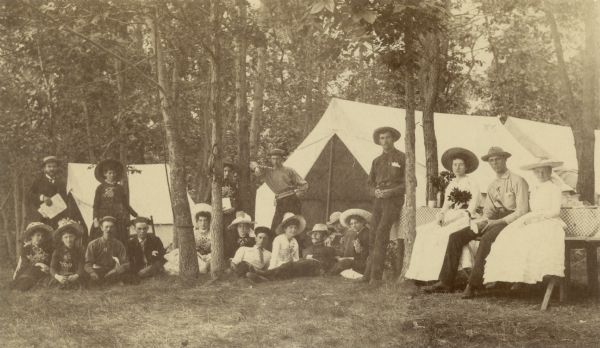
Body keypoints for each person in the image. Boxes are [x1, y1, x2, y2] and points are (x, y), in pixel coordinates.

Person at [423, 147, 530, 297]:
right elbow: (488, 211)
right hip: (494, 220)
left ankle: (473, 285)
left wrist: (498, 221)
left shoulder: (518, 181)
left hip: (512, 222)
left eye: (497, 159)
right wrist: (482, 222)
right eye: (491, 161)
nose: (494, 163)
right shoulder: (493, 185)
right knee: (456, 237)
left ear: (505, 159)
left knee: (486, 239)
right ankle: (446, 282)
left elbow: (522, 210)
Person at [483, 159, 565, 288]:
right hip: (532, 218)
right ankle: (508, 276)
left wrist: (538, 218)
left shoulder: (555, 189)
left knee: (528, 239)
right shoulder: (534, 188)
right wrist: (530, 218)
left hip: (549, 221)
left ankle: (525, 278)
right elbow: (532, 208)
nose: (541, 174)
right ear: (534, 173)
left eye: (544, 171)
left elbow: (555, 211)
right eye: (538, 171)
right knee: (508, 236)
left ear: (550, 172)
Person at [405, 148, 481, 282]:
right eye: (455, 165)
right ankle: (422, 274)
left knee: (443, 235)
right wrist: (440, 214)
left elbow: (473, 206)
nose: (457, 168)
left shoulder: (472, 182)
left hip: (466, 216)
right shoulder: (451, 184)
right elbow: (446, 204)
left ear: (466, 167)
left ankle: (440, 276)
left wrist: (462, 215)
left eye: (461, 165)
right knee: (424, 231)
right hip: (450, 215)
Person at [364, 127, 406, 284]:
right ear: (379, 141)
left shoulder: (402, 158)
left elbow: (410, 183)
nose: (385, 141)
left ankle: (376, 277)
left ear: (393, 139)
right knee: (372, 233)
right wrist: (374, 191)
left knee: (382, 233)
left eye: (388, 137)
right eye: (382, 138)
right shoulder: (376, 161)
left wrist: (391, 192)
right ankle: (368, 274)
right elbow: (369, 184)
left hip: (394, 201)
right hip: (378, 200)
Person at [247, 217, 330, 282]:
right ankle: (265, 274)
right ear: (285, 229)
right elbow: (274, 257)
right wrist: (271, 268)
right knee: (285, 267)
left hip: (291, 267)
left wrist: (296, 264)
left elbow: (296, 258)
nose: (293, 230)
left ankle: (263, 276)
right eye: (290, 227)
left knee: (291, 266)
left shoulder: (295, 242)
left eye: (295, 228)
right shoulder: (278, 239)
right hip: (278, 266)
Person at [250, 148, 309, 231]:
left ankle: (298, 242)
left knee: (297, 223)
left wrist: (297, 194)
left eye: (278, 159)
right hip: (280, 200)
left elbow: (304, 184)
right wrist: (256, 167)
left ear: (282, 159)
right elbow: (251, 163)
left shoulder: (289, 170)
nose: (275, 161)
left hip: (292, 199)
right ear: (270, 160)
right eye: (273, 159)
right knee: (276, 225)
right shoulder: (267, 171)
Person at [91, 159, 138, 245]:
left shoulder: (120, 188)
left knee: (120, 240)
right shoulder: (100, 188)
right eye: (109, 173)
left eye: (113, 173)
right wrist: (95, 219)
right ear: (105, 174)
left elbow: (125, 204)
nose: (112, 175)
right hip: (103, 217)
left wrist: (136, 215)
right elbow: (96, 205)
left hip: (118, 218)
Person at [164, 203, 213, 275]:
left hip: (206, 257)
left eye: (205, 220)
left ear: (209, 222)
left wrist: (206, 257)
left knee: (203, 268)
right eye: (200, 220)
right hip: (193, 255)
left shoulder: (212, 234)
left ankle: (190, 271)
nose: (203, 223)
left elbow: (213, 250)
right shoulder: (193, 233)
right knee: (173, 259)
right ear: (196, 222)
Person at [85, 216, 130, 285]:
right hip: (98, 271)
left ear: (115, 228)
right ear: (101, 228)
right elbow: (88, 263)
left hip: (113, 271)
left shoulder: (119, 244)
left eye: (111, 227)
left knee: (128, 276)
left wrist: (116, 270)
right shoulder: (93, 244)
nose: (109, 229)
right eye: (106, 227)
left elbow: (125, 262)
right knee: (88, 280)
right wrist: (92, 272)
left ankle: (112, 280)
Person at [28, 156, 70, 228]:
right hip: (42, 217)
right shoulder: (38, 181)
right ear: (44, 168)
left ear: (57, 168)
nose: (52, 169)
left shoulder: (61, 182)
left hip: (58, 218)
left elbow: (66, 199)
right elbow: (29, 194)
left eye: (54, 166)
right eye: (49, 166)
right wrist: (42, 197)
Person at [10, 222, 54, 291]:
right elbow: (24, 263)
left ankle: (25, 287)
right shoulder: (26, 249)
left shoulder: (47, 249)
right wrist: (39, 264)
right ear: (31, 236)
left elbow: (50, 262)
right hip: (27, 270)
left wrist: (47, 268)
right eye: (38, 235)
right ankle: (21, 287)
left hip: (43, 272)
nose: (40, 238)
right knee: (28, 274)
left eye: (42, 236)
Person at [49, 218, 86, 289]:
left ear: (75, 237)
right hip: (61, 275)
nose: (69, 240)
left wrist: (76, 275)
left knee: (80, 283)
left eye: (71, 236)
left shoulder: (79, 250)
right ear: (62, 239)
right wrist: (58, 277)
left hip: (74, 275)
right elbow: (52, 267)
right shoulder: (57, 251)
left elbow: (81, 265)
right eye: (65, 237)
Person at [337, 209, 372, 279]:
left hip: (365, 263)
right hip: (358, 260)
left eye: (356, 223)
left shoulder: (366, 234)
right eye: (351, 224)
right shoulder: (358, 233)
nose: (353, 225)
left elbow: (367, 253)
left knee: (343, 263)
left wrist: (359, 250)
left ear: (363, 222)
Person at [222, 161, 239, 232]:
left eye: (229, 171)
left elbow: (238, 200)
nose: (227, 173)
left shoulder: (233, 185)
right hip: (218, 214)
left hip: (230, 215)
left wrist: (234, 208)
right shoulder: (215, 183)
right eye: (225, 171)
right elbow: (207, 200)